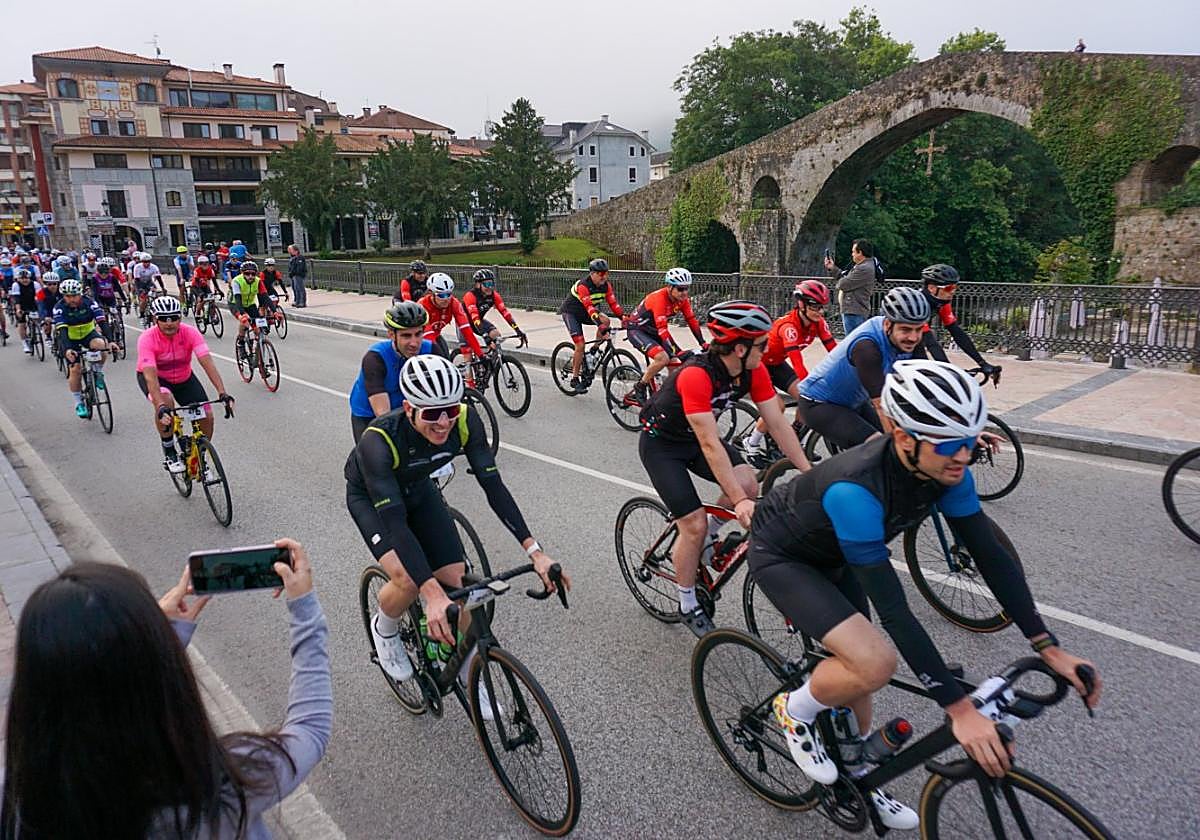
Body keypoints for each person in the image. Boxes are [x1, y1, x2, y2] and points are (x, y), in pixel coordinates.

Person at [752, 360, 1102, 829]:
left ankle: (855, 771)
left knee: (862, 676)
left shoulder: (947, 468)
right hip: (785, 554)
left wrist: (1048, 646)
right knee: (873, 660)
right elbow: (896, 610)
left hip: (835, 551)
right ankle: (794, 710)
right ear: (901, 435)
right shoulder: (854, 492)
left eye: (969, 438)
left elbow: (990, 556)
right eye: (949, 442)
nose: (963, 455)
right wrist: (958, 710)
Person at [1, 539, 331, 838]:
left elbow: (107, 686)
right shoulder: (215, 788)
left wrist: (164, 634)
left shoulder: (16, 801)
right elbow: (310, 728)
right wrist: (304, 609)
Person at [346, 355, 570, 703]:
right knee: (408, 579)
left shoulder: (466, 420)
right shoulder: (378, 442)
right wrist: (429, 592)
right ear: (408, 408)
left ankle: (469, 673)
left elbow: (494, 488)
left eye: (450, 409)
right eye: (432, 413)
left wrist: (535, 552)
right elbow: (396, 525)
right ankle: (385, 628)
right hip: (372, 499)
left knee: (457, 581)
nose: (444, 422)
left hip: (419, 487)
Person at [637, 300, 812, 636]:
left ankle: (708, 539)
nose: (768, 348)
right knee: (693, 524)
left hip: (697, 441)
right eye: (761, 344)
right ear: (739, 347)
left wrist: (808, 470)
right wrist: (739, 502)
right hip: (663, 445)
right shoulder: (695, 376)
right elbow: (709, 443)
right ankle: (687, 601)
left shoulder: (753, 369)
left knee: (748, 484)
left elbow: (777, 423)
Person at [795, 287, 930, 452]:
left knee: (905, 437)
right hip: (820, 404)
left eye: (919, 329)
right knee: (881, 448)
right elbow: (881, 406)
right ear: (888, 324)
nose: (913, 337)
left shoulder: (912, 339)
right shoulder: (867, 347)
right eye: (905, 330)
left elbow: (925, 380)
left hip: (853, 402)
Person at [743, 280, 838, 464]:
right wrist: (811, 386)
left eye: (822, 307)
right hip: (759, 365)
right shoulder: (789, 327)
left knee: (804, 397)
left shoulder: (818, 323)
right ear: (801, 304)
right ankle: (751, 442)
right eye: (815, 307)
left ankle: (793, 441)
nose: (820, 311)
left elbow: (835, 352)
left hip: (776, 363)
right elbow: (798, 363)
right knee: (777, 406)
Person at [136, 295, 232, 475]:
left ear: (180, 317)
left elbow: (207, 362)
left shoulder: (190, 332)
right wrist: (160, 406)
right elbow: (150, 376)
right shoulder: (147, 338)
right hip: (157, 379)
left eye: (174, 317)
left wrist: (222, 392)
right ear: (155, 319)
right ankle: (169, 450)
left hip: (184, 378)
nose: (169, 323)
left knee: (207, 415)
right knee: (166, 400)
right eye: (163, 319)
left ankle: (199, 458)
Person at [348, 302, 438, 441]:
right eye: (406, 336)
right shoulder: (375, 358)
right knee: (376, 457)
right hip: (369, 414)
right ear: (391, 334)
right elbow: (383, 415)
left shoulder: (431, 350)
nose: (414, 343)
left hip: (409, 409)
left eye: (418, 334)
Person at [625, 267, 707, 404]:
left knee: (675, 365)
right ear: (670, 287)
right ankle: (640, 387)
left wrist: (703, 343)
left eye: (687, 288)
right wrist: (675, 352)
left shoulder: (682, 300)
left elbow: (692, 320)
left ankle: (669, 396)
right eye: (680, 289)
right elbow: (663, 330)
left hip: (655, 331)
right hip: (638, 330)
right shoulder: (659, 299)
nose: (684, 293)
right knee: (663, 358)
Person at [912, 263, 999, 378]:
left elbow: (957, 332)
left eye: (954, 287)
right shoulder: (917, 305)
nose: (952, 291)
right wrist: (950, 371)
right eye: (948, 288)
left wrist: (982, 363)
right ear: (932, 288)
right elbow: (931, 343)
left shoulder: (941, 302)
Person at [557, 257, 627, 393]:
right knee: (580, 345)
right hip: (571, 313)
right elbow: (589, 308)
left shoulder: (606, 286)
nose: (604, 277)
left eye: (606, 273)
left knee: (606, 321)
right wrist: (600, 326)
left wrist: (623, 317)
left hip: (587, 313)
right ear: (592, 273)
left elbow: (613, 304)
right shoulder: (583, 286)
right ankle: (575, 378)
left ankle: (594, 350)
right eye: (601, 274)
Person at [53, 278, 119, 418]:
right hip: (70, 338)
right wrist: (67, 350)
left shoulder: (90, 302)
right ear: (63, 296)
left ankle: (97, 372)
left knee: (102, 346)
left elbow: (102, 322)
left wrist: (112, 341)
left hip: (88, 333)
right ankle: (79, 403)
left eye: (74, 295)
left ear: (80, 294)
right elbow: (63, 332)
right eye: (68, 296)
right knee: (75, 369)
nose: (71, 299)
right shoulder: (59, 308)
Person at [418, 272, 484, 361]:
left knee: (446, 361)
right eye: (441, 295)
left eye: (448, 294)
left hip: (436, 335)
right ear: (431, 293)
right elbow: (428, 336)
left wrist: (481, 355)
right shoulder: (422, 306)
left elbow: (466, 331)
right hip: (418, 338)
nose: (446, 299)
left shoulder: (454, 303)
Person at [824, 239, 878, 335]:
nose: (852, 254)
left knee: (853, 341)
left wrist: (841, 281)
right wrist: (832, 268)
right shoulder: (863, 265)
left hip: (854, 310)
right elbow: (846, 279)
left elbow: (843, 285)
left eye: (853, 251)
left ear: (860, 252)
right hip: (853, 309)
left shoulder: (864, 268)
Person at [462, 268, 526, 347]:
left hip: (479, 321)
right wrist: (485, 335)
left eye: (491, 284)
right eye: (486, 284)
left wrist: (517, 330)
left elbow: (505, 314)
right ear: (478, 285)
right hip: (464, 323)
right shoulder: (470, 296)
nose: (490, 287)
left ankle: (494, 357)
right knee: (468, 350)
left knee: (496, 336)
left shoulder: (494, 296)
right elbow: (475, 317)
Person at [229, 261, 269, 350]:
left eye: (253, 274)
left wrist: (275, 312)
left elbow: (266, 297)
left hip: (250, 304)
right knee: (245, 322)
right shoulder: (236, 281)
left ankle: (256, 353)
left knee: (258, 330)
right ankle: (241, 343)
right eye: (247, 274)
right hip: (235, 304)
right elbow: (238, 299)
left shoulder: (258, 281)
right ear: (242, 273)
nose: (250, 276)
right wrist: (243, 314)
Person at [9, 268, 43, 354]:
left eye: (26, 278)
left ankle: (35, 329)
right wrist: (18, 309)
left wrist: (40, 309)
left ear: (30, 278)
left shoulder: (35, 284)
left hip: (32, 303)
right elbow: (17, 299)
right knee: (22, 323)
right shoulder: (16, 285)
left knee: (36, 317)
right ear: (18, 279)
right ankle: (24, 343)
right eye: (22, 278)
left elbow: (39, 298)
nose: (25, 280)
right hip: (21, 304)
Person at [286, 244, 307, 308]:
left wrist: (295, 273)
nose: (289, 251)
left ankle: (302, 302)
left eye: (291, 250)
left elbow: (299, 267)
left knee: (300, 288)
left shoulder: (300, 257)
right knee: (295, 289)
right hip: (293, 275)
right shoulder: (292, 258)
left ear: (296, 251)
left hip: (298, 275)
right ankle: (297, 301)